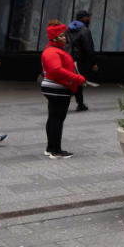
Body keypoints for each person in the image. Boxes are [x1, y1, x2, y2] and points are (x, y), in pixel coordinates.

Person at [40, 21, 85, 159]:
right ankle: (56, 150)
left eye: (64, 35)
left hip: (55, 87)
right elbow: (56, 70)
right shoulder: (52, 52)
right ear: (53, 38)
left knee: (53, 118)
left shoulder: (53, 50)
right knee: (57, 119)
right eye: (61, 36)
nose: (64, 38)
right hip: (57, 88)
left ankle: (51, 148)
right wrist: (76, 78)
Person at [67, 10, 98, 111]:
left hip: (68, 59)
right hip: (80, 61)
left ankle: (79, 103)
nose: (89, 19)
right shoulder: (85, 30)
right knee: (79, 81)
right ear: (83, 18)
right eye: (87, 17)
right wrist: (93, 62)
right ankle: (77, 103)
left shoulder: (68, 29)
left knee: (73, 80)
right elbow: (89, 47)